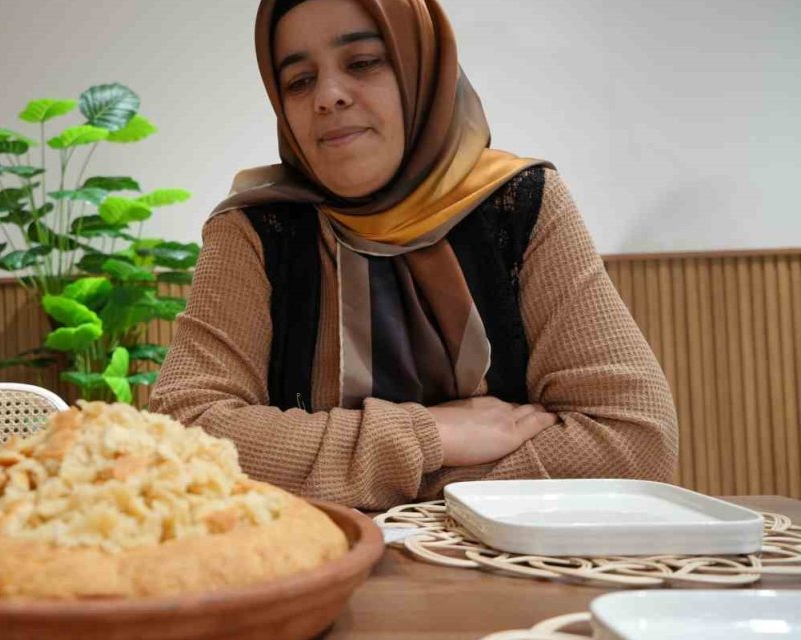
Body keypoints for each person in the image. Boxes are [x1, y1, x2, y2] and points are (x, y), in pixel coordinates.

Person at [149, 0, 678, 509]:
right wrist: (433, 436)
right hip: (312, 573)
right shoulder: (256, 229)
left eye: (362, 62)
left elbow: (635, 442)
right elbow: (183, 435)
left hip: (511, 581)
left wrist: (318, 471)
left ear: (419, 68)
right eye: (299, 80)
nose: (328, 96)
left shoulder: (520, 204)